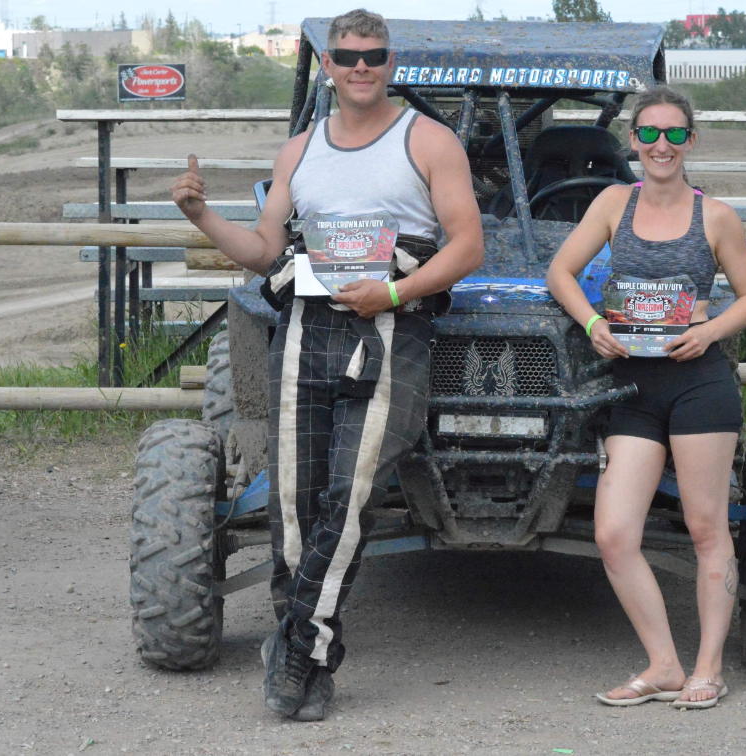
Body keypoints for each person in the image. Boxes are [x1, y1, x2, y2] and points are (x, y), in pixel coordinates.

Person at [170, 9, 483, 721]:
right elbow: (261, 251)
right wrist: (201, 217)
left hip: (391, 330)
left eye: (373, 55)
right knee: (292, 503)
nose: (361, 66)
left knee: (350, 495)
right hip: (306, 329)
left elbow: (467, 247)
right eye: (346, 56)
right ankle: (301, 658)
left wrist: (396, 289)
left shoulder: (429, 142)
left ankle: (298, 653)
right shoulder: (299, 151)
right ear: (329, 63)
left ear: (390, 62)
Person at [545, 85, 746, 710]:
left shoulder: (716, 217)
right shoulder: (614, 203)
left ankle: (708, 668)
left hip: (699, 384)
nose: (661, 145)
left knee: (704, 527)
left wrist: (707, 331)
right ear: (634, 141)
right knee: (613, 533)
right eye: (649, 134)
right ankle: (664, 663)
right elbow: (561, 272)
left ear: (689, 141)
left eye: (674, 134)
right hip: (634, 386)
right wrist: (593, 325)